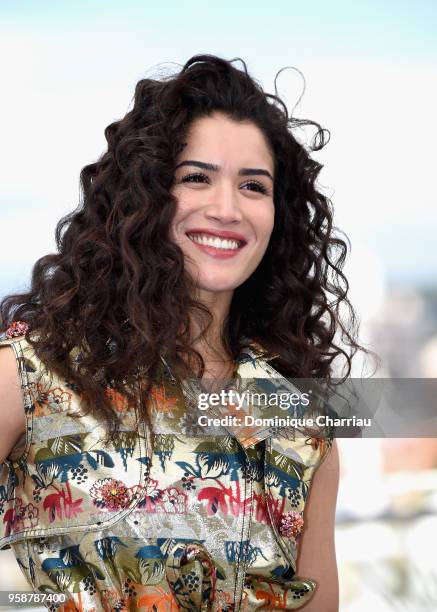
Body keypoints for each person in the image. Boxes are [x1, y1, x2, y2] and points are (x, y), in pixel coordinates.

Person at [0, 54, 360, 611]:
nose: (226, 209)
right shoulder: (31, 372)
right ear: (142, 197)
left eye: (253, 186)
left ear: (279, 214)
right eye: (196, 178)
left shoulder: (300, 424)